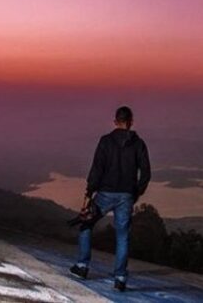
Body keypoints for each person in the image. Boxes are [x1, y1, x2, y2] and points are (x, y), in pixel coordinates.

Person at [69, 106, 151, 292]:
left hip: (105, 194)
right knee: (122, 237)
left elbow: (97, 168)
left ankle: (82, 267)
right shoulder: (139, 144)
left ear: (115, 121)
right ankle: (120, 278)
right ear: (131, 122)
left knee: (86, 224)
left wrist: (90, 192)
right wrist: (136, 193)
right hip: (126, 196)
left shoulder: (106, 141)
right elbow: (146, 173)